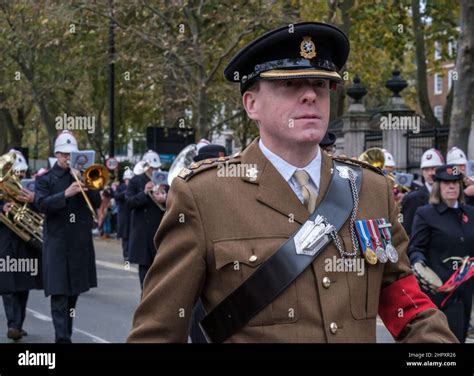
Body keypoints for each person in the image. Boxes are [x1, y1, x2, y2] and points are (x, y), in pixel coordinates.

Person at [128, 22, 456, 343]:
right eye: (290, 84)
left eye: (320, 84)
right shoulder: (202, 195)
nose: (310, 95)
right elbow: (158, 332)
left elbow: (406, 306)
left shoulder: (370, 189)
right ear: (251, 104)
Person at [35, 130, 101, 343]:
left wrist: (86, 183)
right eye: (63, 154)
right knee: (59, 294)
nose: (67, 158)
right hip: (57, 243)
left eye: (70, 154)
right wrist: (66, 193)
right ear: (57, 154)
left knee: (72, 295)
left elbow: (97, 202)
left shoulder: (85, 174)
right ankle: (62, 339)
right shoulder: (46, 178)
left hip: (79, 242)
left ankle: (66, 335)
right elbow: (41, 204)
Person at [408, 165, 474, 342]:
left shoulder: (470, 213)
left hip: (464, 291)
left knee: (458, 338)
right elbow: (415, 247)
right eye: (446, 183)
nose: (452, 187)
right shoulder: (426, 214)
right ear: (438, 186)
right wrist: (419, 264)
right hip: (437, 290)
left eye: (455, 183)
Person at [0, 150, 43, 340]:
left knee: (23, 284)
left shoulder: (30, 188)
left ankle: (18, 324)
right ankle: (13, 324)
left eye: (22, 173)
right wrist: (3, 207)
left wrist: (32, 200)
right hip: (5, 241)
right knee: (8, 285)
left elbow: (40, 211)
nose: (19, 177)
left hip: (25, 242)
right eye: (16, 173)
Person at [126, 151, 166, 289]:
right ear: (145, 167)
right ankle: (146, 306)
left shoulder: (163, 180)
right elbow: (129, 203)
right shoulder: (135, 181)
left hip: (158, 233)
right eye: (151, 168)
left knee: (161, 275)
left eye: (155, 168)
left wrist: (164, 198)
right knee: (145, 277)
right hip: (142, 235)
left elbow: (174, 203)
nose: (154, 170)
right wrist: (144, 193)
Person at [401, 148, 444, 236]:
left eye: (433, 168)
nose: (430, 173)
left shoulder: (449, 195)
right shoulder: (412, 199)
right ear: (422, 171)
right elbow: (406, 232)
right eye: (426, 169)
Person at [115, 168, 134, 262]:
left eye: (130, 179)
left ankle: (131, 254)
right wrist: (123, 193)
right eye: (127, 179)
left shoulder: (134, 187)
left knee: (132, 235)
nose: (128, 181)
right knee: (125, 235)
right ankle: (126, 255)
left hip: (132, 214)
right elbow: (116, 197)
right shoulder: (121, 187)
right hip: (123, 214)